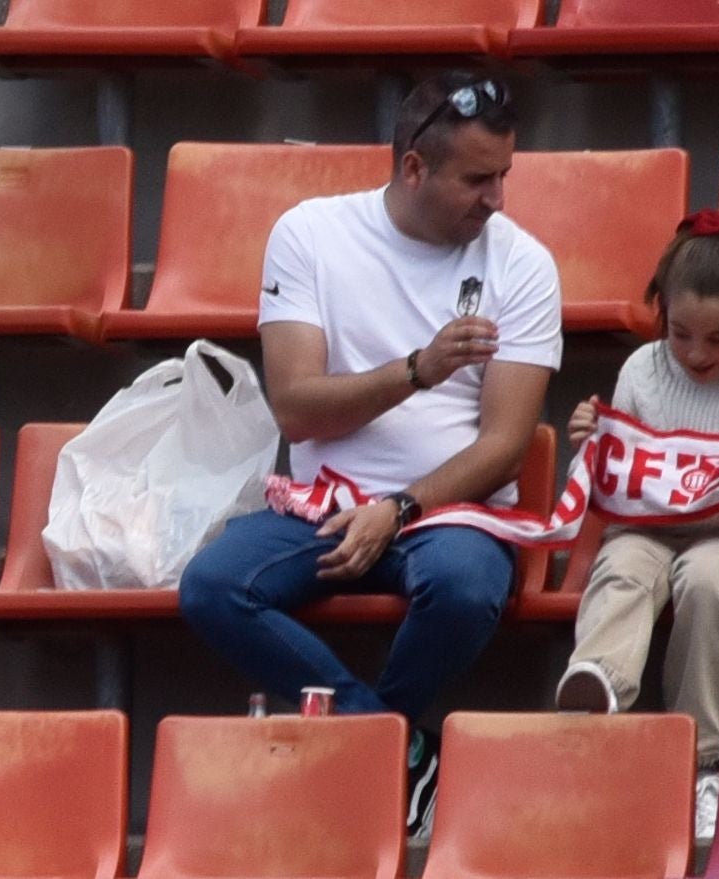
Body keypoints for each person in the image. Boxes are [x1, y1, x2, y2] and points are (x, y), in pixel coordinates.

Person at [178, 71, 562, 838]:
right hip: (322, 505)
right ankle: (392, 741)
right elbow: (295, 404)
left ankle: (365, 748)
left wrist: (398, 508)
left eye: (505, 176)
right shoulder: (311, 234)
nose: (497, 199)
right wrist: (416, 370)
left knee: (464, 586)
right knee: (211, 586)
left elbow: (504, 444)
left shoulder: (523, 264)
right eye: (478, 179)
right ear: (413, 168)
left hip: (448, 511)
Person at [552, 209, 719, 840]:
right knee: (623, 566)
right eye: (681, 334)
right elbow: (613, 486)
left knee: (704, 576)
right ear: (662, 317)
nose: (697, 353)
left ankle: (707, 760)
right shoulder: (643, 370)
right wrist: (592, 445)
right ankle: (595, 700)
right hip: (647, 529)